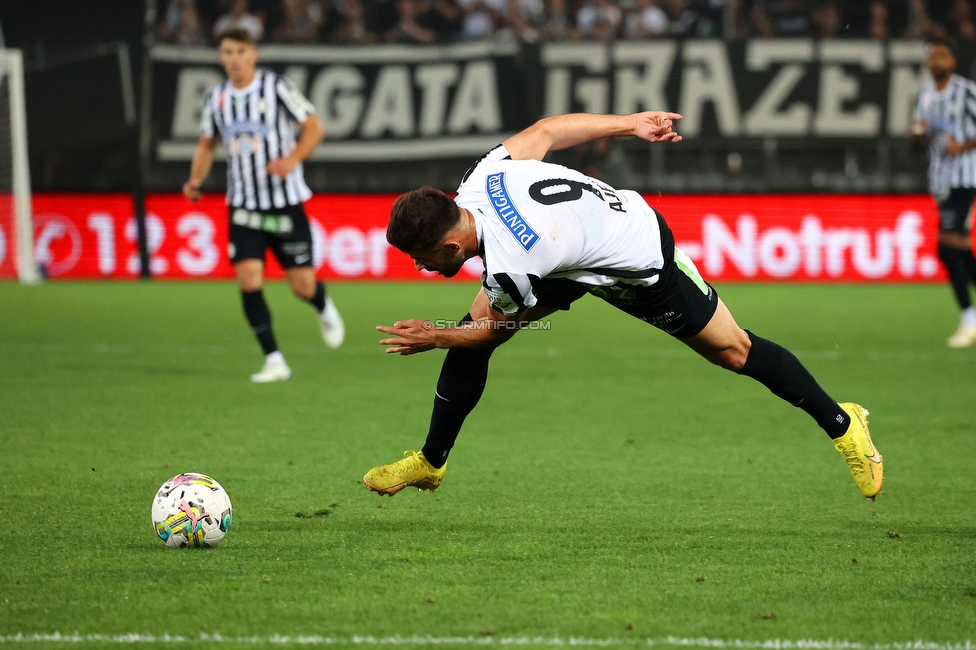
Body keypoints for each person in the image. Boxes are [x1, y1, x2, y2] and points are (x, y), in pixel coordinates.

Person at [363, 111, 884, 501]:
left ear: (451, 245)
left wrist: (434, 336)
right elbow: (545, 131)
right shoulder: (480, 183)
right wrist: (629, 123)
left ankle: (844, 423)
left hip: (635, 261)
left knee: (733, 351)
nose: (419, 267)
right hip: (569, 254)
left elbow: (494, 332)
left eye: (422, 257)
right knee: (467, 332)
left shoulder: (514, 265)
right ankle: (432, 462)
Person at [183, 28, 344, 382]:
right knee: (249, 279)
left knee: (301, 285)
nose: (234, 58)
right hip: (243, 206)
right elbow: (207, 144)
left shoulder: (278, 88)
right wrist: (196, 179)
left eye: (240, 51)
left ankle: (321, 303)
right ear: (220, 57)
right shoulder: (217, 98)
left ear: (253, 54)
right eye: (227, 52)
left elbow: (314, 129)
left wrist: (291, 160)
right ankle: (274, 359)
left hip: (284, 204)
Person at [912, 38, 976, 348]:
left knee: (946, 247)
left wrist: (962, 147)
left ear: (951, 61)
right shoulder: (924, 95)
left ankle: (968, 318)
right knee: (961, 248)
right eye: (932, 57)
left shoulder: (966, 91)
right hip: (940, 180)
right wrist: (919, 136)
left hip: (965, 176)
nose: (937, 61)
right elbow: (920, 139)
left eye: (942, 56)